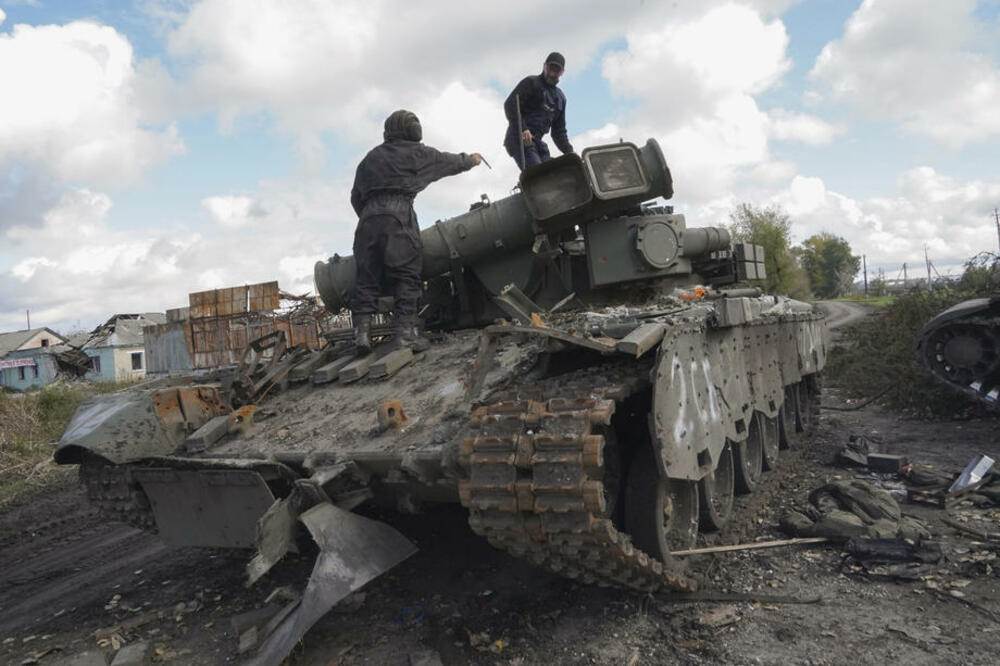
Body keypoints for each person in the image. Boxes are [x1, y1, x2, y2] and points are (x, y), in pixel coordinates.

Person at [350, 110, 483, 353]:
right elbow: (448, 162)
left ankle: (362, 335)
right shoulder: (417, 152)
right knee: (407, 276)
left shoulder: (370, 158)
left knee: (366, 278)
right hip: (399, 214)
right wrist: (471, 160)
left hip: (367, 220)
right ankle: (405, 336)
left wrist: (373, 218)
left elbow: (355, 197)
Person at [503, 52, 574, 170]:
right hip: (519, 139)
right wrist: (523, 128)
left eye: (557, 70)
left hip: (538, 143)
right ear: (545, 66)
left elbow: (559, 132)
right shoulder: (531, 83)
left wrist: (570, 153)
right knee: (539, 174)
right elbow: (510, 105)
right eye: (551, 68)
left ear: (562, 72)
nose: (553, 73)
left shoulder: (560, 99)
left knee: (555, 172)